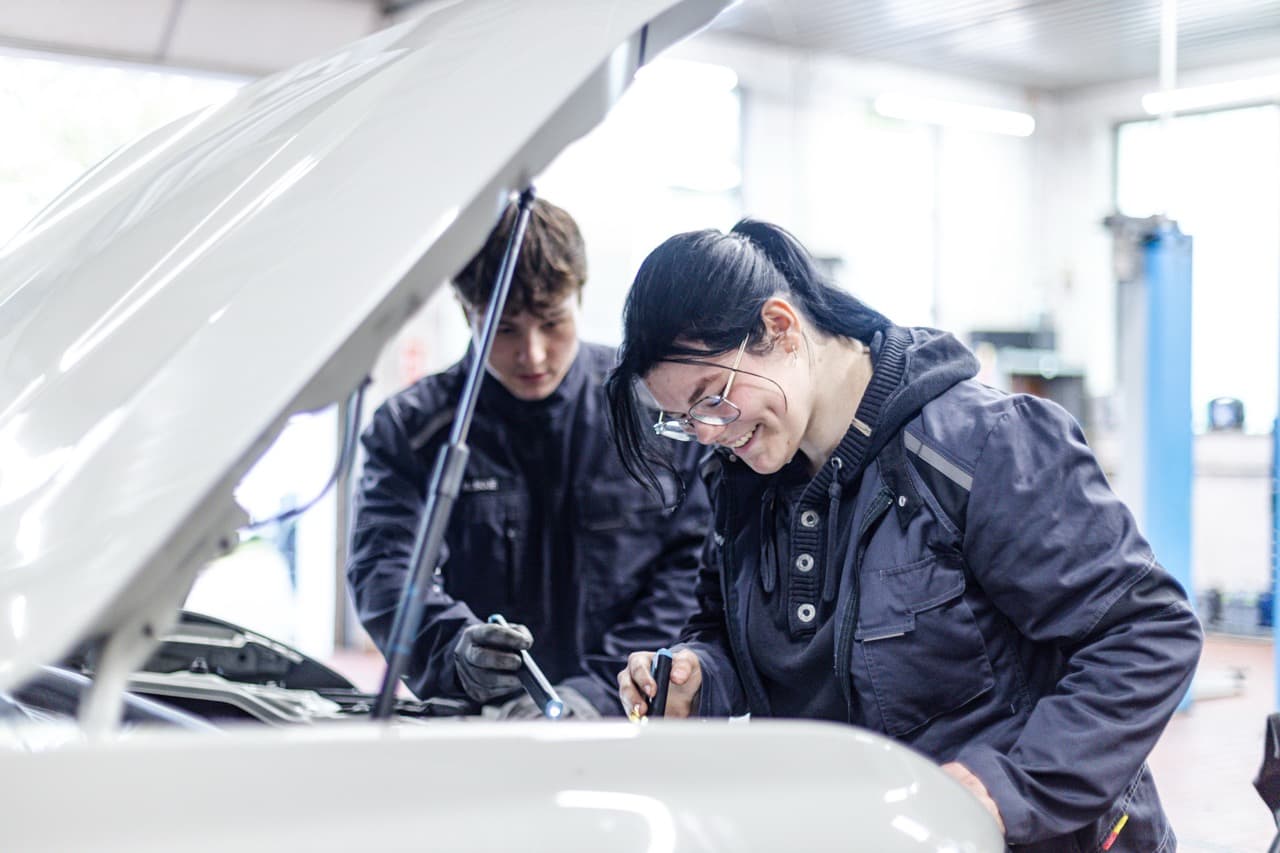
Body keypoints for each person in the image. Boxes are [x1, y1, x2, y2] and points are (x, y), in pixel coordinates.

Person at [605, 219, 1202, 851]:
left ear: (780, 328)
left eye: (711, 398)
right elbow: (732, 633)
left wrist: (1007, 789)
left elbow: (1145, 633)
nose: (706, 433)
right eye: (682, 419)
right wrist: (698, 675)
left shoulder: (979, 447)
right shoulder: (745, 481)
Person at [347, 198, 709, 718]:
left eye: (552, 322)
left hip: (627, 718)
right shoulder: (413, 431)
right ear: (466, 312)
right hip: (477, 721)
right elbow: (385, 572)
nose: (532, 354)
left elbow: (692, 569)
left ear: (579, 296)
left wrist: (598, 694)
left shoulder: (654, 411)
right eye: (505, 329)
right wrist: (455, 651)